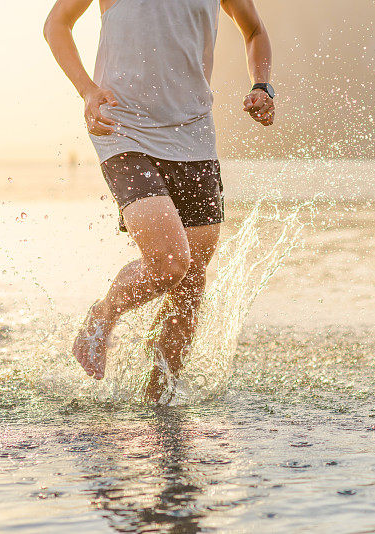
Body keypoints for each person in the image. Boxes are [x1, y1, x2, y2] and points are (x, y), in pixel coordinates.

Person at [43, 0, 275, 402]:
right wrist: (88, 90)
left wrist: (262, 85)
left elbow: (253, 30)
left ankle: (160, 399)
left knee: (191, 278)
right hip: (122, 127)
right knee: (169, 263)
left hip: (194, 136)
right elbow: (57, 23)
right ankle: (103, 314)